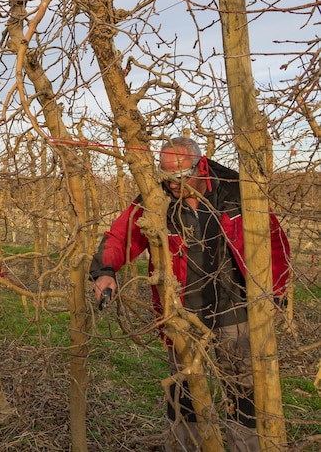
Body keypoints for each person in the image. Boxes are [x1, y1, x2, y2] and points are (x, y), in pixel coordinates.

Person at [90, 137, 290, 452]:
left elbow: (272, 239)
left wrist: (276, 290)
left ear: (201, 165)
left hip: (235, 309)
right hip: (180, 312)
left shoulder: (234, 190)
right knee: (183, 394)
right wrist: (104, 270)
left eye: (182, 176)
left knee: (243, 393)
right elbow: (122, 234)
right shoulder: (156, 199)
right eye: (167, 177)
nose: (174, 185)